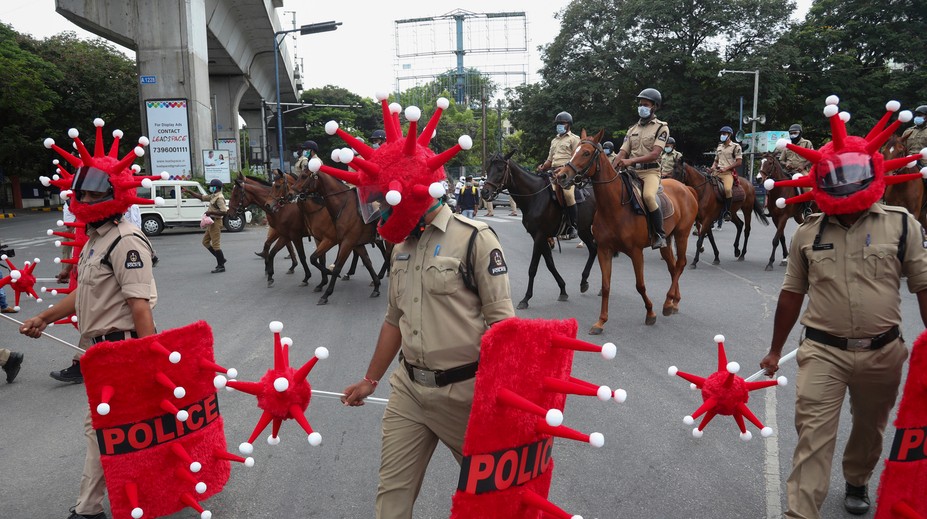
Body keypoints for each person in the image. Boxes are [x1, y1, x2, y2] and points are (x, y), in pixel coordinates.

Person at [760, 108, 927, 519]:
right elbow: (791, 295)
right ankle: (801, 511)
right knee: (812, 434)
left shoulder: (902, 225)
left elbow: (923, 286)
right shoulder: (807, 232)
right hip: (822, 351)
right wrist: (773, 349)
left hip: (883, 352)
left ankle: (857, 477)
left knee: (870, 430)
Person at [341, 191, 514, 519]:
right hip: (409, 391)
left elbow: (503, 324)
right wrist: (370, 379)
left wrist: (503, 397)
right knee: (391, 495)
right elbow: (395, 319)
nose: (380, 212)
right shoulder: (401, 246)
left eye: (385, 202)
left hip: (466, 395)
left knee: (495, 497)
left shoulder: (474, 239)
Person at [20, 162, 158, 519]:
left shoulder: (126, 240)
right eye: (83, 193)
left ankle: (89, 509)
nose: (86, 199)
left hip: (122, 350)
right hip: (97, 351)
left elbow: (139, 306)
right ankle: (147, 490)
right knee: (115, 427)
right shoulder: (97, 239)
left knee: (101, 428)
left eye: (96, 193)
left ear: (115, 196)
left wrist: (150, 360)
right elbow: (83, 291)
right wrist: (43, 318)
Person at [614, 88, 671, 248]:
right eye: (640, 104)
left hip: (650, 172)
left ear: (654, 106)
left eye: (645, 104)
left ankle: (660, 234)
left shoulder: (661, 128)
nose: (641, 107)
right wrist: (612, 169)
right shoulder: (632, 129)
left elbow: (655, 154)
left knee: (648, 197)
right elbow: (622, 152)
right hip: (631, 172)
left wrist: (630, 161)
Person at [537, 111, 581, 239]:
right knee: (542, 192)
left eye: (562, 123)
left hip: (567, 174)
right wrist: (542, 166)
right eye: (558, 124)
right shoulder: (554, 140)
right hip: (553, 172)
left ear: (568, 125)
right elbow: (550, 159)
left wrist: (564, 168)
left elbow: (576, 159)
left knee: (568, 195)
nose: (559, 126)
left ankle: (574, 226)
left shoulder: (574, 139)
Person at [185, 179, 228, 273]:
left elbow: (224, 212)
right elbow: (201, 197)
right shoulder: (213, 196)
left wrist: (211, 212)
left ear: (216, 187)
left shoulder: (219, 198)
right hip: (211, 222)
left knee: (216, 245)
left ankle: (221, 266)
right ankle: (221, 259)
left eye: (212, 186)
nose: (210, 187)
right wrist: (189, 191)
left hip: (216, 222)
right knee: (205, 242)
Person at [710, 125, 742, 222]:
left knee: (728, 189)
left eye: (724, 134)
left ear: (729, 135)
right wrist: (713, 167)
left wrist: (726, 168)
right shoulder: (719, 147)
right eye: (721, 134)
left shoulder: (736, 146)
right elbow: (716, 160)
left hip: (727, 173)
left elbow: (739, 162)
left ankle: (727, 211)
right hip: (717, 172)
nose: (722, 135)